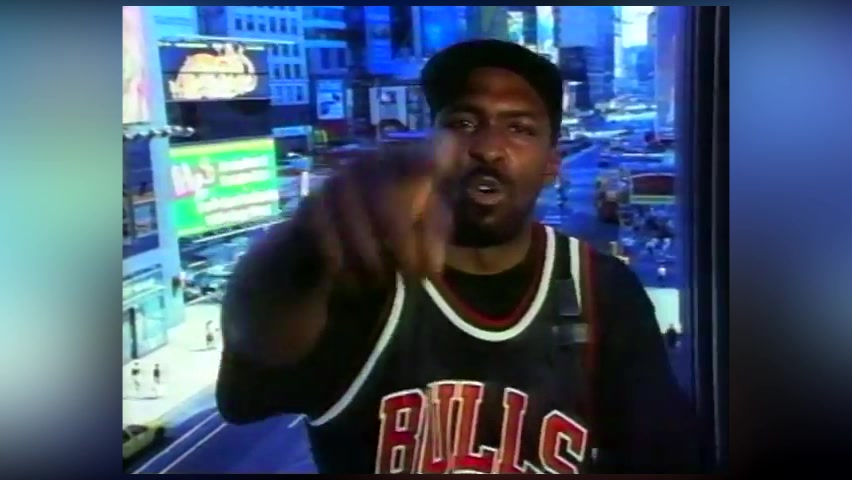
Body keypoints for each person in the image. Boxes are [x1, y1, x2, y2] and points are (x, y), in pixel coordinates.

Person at [216, 39, 700, 474]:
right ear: (431, 144)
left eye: (519, 128)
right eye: (463, 123)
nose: (488, 148)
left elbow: (663, 455)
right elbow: (252, 368)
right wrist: (307, 240)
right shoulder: (363, 277)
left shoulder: (601, 289)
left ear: (553, 163)